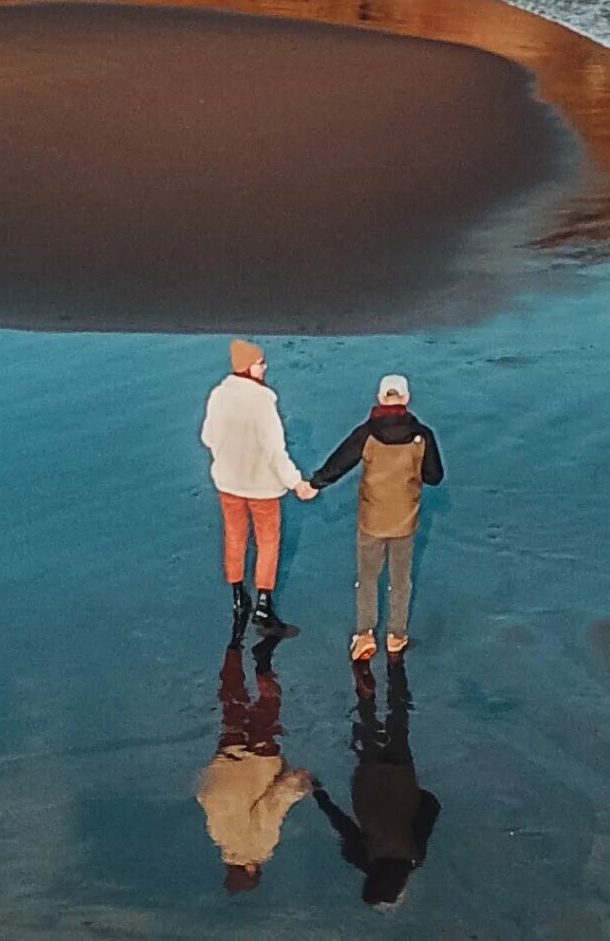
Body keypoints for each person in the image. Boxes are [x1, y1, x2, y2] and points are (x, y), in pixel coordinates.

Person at [313, 373, 445, 661]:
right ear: (407, 399)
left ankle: (364, 634)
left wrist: (315, 483)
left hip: (371, 519)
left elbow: (340, 462)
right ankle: (396, 634)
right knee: (400, 579)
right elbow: (434, 477)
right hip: (405, 519)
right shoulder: (422, 435)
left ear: (380, 397)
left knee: (367, 577)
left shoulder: (366, 434)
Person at [200, 338, 315, 640]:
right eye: (261, 363)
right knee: (267, 541)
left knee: (235, 537)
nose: (265, 367)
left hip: (228, 482)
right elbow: (275, 451)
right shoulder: (263, 401)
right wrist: (296, 483)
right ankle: (264, 602)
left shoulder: (218, 395)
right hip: (263, 487)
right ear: (249, 367)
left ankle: (239, 596)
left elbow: (208, 437)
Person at [313, 652, 441, 906]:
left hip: (401, 782)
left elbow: (431, 807)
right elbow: (343, 825)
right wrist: (320, 795)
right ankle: (366, 695)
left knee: (400, 721)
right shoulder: (364, 858)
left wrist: (416, 797)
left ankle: (396, 668)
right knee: (367, 729)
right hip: (368, 786)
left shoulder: (414, 856)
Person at [195, 641, 312, 894]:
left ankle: (263, 664)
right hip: (224, 766)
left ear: (250, 869)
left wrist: (298, 784)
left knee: (268, 712)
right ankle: (233, 652)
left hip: (257, 767)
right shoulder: (218, 837)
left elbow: (271, 805)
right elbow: (204, 795)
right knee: (232, 709)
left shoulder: (259, 848)